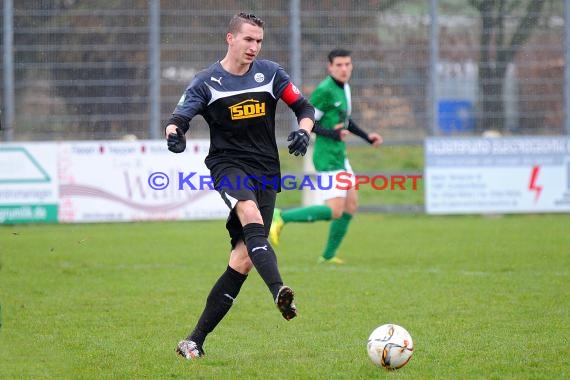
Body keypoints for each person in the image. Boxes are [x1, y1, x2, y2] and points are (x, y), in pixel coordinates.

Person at [164, 12, 314, 360]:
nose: (254, 47)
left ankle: (193, 340)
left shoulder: (271, 73)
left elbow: (305, 107)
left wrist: (304, 131)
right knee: (248, 211)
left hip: (265, 170)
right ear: (230, 38)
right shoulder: (206, 82)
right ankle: (279, 291)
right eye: (248, 39)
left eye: (259, 41)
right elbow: (177, 120)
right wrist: (175, 136)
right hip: (228, 166)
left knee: (243, 258)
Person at [270, 48, 382, 264]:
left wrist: (368, 137)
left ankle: (328, 256)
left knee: (351, 205)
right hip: (327, 157)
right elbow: (310, 122)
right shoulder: (325, 90)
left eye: (347, 64)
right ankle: (281, 216)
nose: (344, 69)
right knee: (334, 211)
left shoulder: (345, 88)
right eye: (339, 65)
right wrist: (333, 133)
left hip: (340, 155)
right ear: (330, 67)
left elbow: (346, 121)